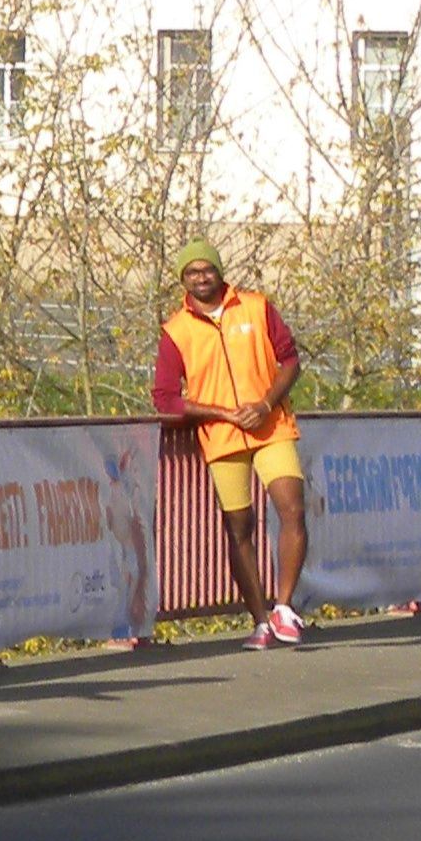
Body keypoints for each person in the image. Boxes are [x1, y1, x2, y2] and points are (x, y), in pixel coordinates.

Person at [155, 239, 308, 649]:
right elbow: (165, 399)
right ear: (182, 280)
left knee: (292, 508)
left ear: (220, 272)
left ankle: (284, 607)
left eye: (207, 270)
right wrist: (222, 413)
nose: (201, 278)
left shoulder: (257, 306)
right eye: (192, 272)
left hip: (271, 426)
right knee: (239, 527)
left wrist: (264, 404)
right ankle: (260, 622)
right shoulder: (176, 330)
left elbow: (290, 360)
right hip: (221, 438)